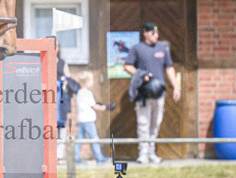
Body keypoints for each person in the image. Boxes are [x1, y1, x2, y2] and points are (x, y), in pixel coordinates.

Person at [124, 21, 181, 164]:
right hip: (143, 93)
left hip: (159, 93)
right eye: (153, 32)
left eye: (157, 32)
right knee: (143, 123)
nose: (156, 35)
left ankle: (151, 151)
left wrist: (176, 86)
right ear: (145, 33)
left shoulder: (162, 49)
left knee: (156, 123)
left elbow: (169, 68)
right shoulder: (137, 48)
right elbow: (127, 66)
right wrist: (141, 74)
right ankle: (142, 152)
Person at [74, 71, 116, 164]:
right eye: (92, 80)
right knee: (94, 138)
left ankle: (75, 157)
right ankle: (99, 158)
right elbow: (95, 106)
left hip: (82, 119)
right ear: (87, 81)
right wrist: (107, 107)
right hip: (88, 120)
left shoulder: (80, 92)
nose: (93, 82)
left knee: (80, 138)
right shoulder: (87, 93)